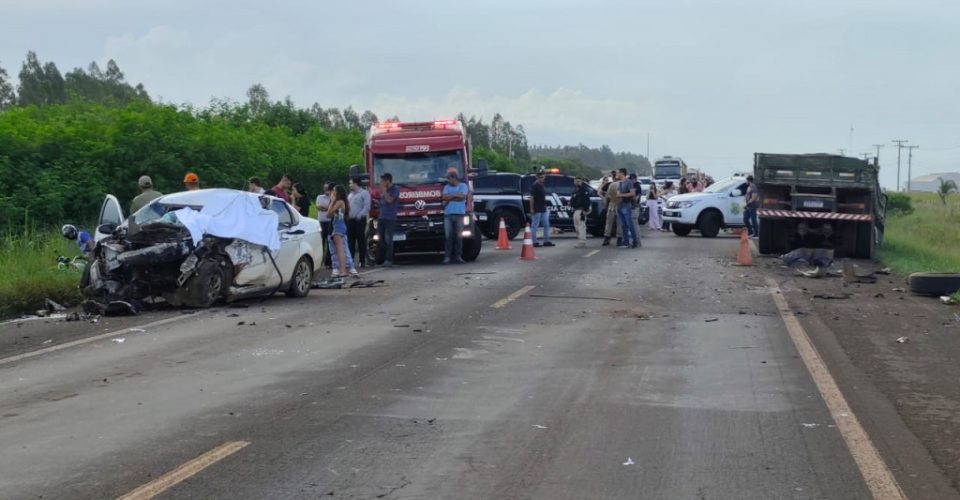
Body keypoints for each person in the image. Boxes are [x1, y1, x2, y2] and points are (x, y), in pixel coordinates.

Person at [326, 185, 359, 283]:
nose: (332, 193)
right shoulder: (343, 202)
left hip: (338, 226)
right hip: (340, 225)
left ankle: (342, 270)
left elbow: (328, 213)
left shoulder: (340, 202)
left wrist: (332, 201)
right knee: (341, 248)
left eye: (334, 191)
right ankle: (343, 269)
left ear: (338, 193)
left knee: (340, 249)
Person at [439, 169, 470, 264]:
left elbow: (462, 197)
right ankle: (447, 257)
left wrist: (450, 197)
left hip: (460, 214)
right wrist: (455, 197)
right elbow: (444, 197)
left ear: (454, 178)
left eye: (449, 178)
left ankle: (458, 257)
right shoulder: (446, 187)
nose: (448, 180)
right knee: (448, 237)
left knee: (458, 237)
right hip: (448, 215)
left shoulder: (463, 186)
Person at [347, 177, 370, 267]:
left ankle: (362, 260)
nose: (350, 185)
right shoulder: (350, 195)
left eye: (350, 183)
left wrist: (359, 215)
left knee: (361, 240)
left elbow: (367, 206)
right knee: (350, 241)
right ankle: (351, 260)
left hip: (359, 220)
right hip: (350, 220)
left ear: (356, 183)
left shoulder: (364, 193)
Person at [378, 173, 400, 266]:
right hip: (381, 217)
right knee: (381, 239)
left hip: (390, 218)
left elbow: (389, 200)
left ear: (388, 181)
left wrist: (385, 190)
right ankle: (381, 259)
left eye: (383, 181)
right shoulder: (384, 191)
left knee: (388, 239)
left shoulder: (395, 189)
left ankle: (389, 260)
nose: (381, 183)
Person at [616, 168, 639, 248]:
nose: (617, 174)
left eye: (618, 172)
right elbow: (618, 193)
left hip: (626, 205)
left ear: (622, 173)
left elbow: (632, 193)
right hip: (620, 205)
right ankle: (626, 242)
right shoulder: (620, 183)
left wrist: (621, 195)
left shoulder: (628, 182)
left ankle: (635, 241)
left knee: (629, 223)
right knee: (623, 225)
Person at [529, 171, 553, 247]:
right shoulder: (535, 185)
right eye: (541, 177)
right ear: (537, 177)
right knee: (535, 225)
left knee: (546, 224)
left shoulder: (541, 185)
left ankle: (546, 241)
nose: (543, 179)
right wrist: (532, 209)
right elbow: (532, 198)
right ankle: (534, 241)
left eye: (544, 177)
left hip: (543, 208)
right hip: (536, 208)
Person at [569, 176, 591, 248]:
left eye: (578, 181)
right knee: (576, 227)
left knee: (581, 226)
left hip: (581, 210)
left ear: (581, 182)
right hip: (575, 210)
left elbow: (587, 201)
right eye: (576, 181)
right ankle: (580, 240)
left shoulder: (584, 190)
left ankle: (582, 241)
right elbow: (572, 200)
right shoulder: (575, 191)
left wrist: (585, 210)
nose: (577, 182)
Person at [316, 182, 334, 268]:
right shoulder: (320, 197)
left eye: (328, 188)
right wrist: (329, 208)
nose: (327, 190)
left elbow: (333, 208)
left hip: (330, 222)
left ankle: (328, 262)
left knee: (330, 242)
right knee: (320, 243)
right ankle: (319, 262)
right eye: (325, 188)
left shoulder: (333, 198)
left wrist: (326, 208)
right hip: (321, 223)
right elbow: (319, 207)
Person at [602, 176, 621, 246]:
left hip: (612, 205)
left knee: (609, 223)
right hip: (620, 205)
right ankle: (619, 239)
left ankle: (606, 238)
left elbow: (607, 196)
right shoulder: (624, 184)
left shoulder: (612, 185)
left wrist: (606, 206)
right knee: (620, 223)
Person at [744, 175, 760, 240]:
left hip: (753, 205)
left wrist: (748, 203)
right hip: (749, 205)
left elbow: (754, 197)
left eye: (746, 180)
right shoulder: (749, 187)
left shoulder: (753, 186)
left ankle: (756, 234)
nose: (746, 182)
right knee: (745, 218)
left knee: (753, 219)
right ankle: (751, 233)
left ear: (748, 180)